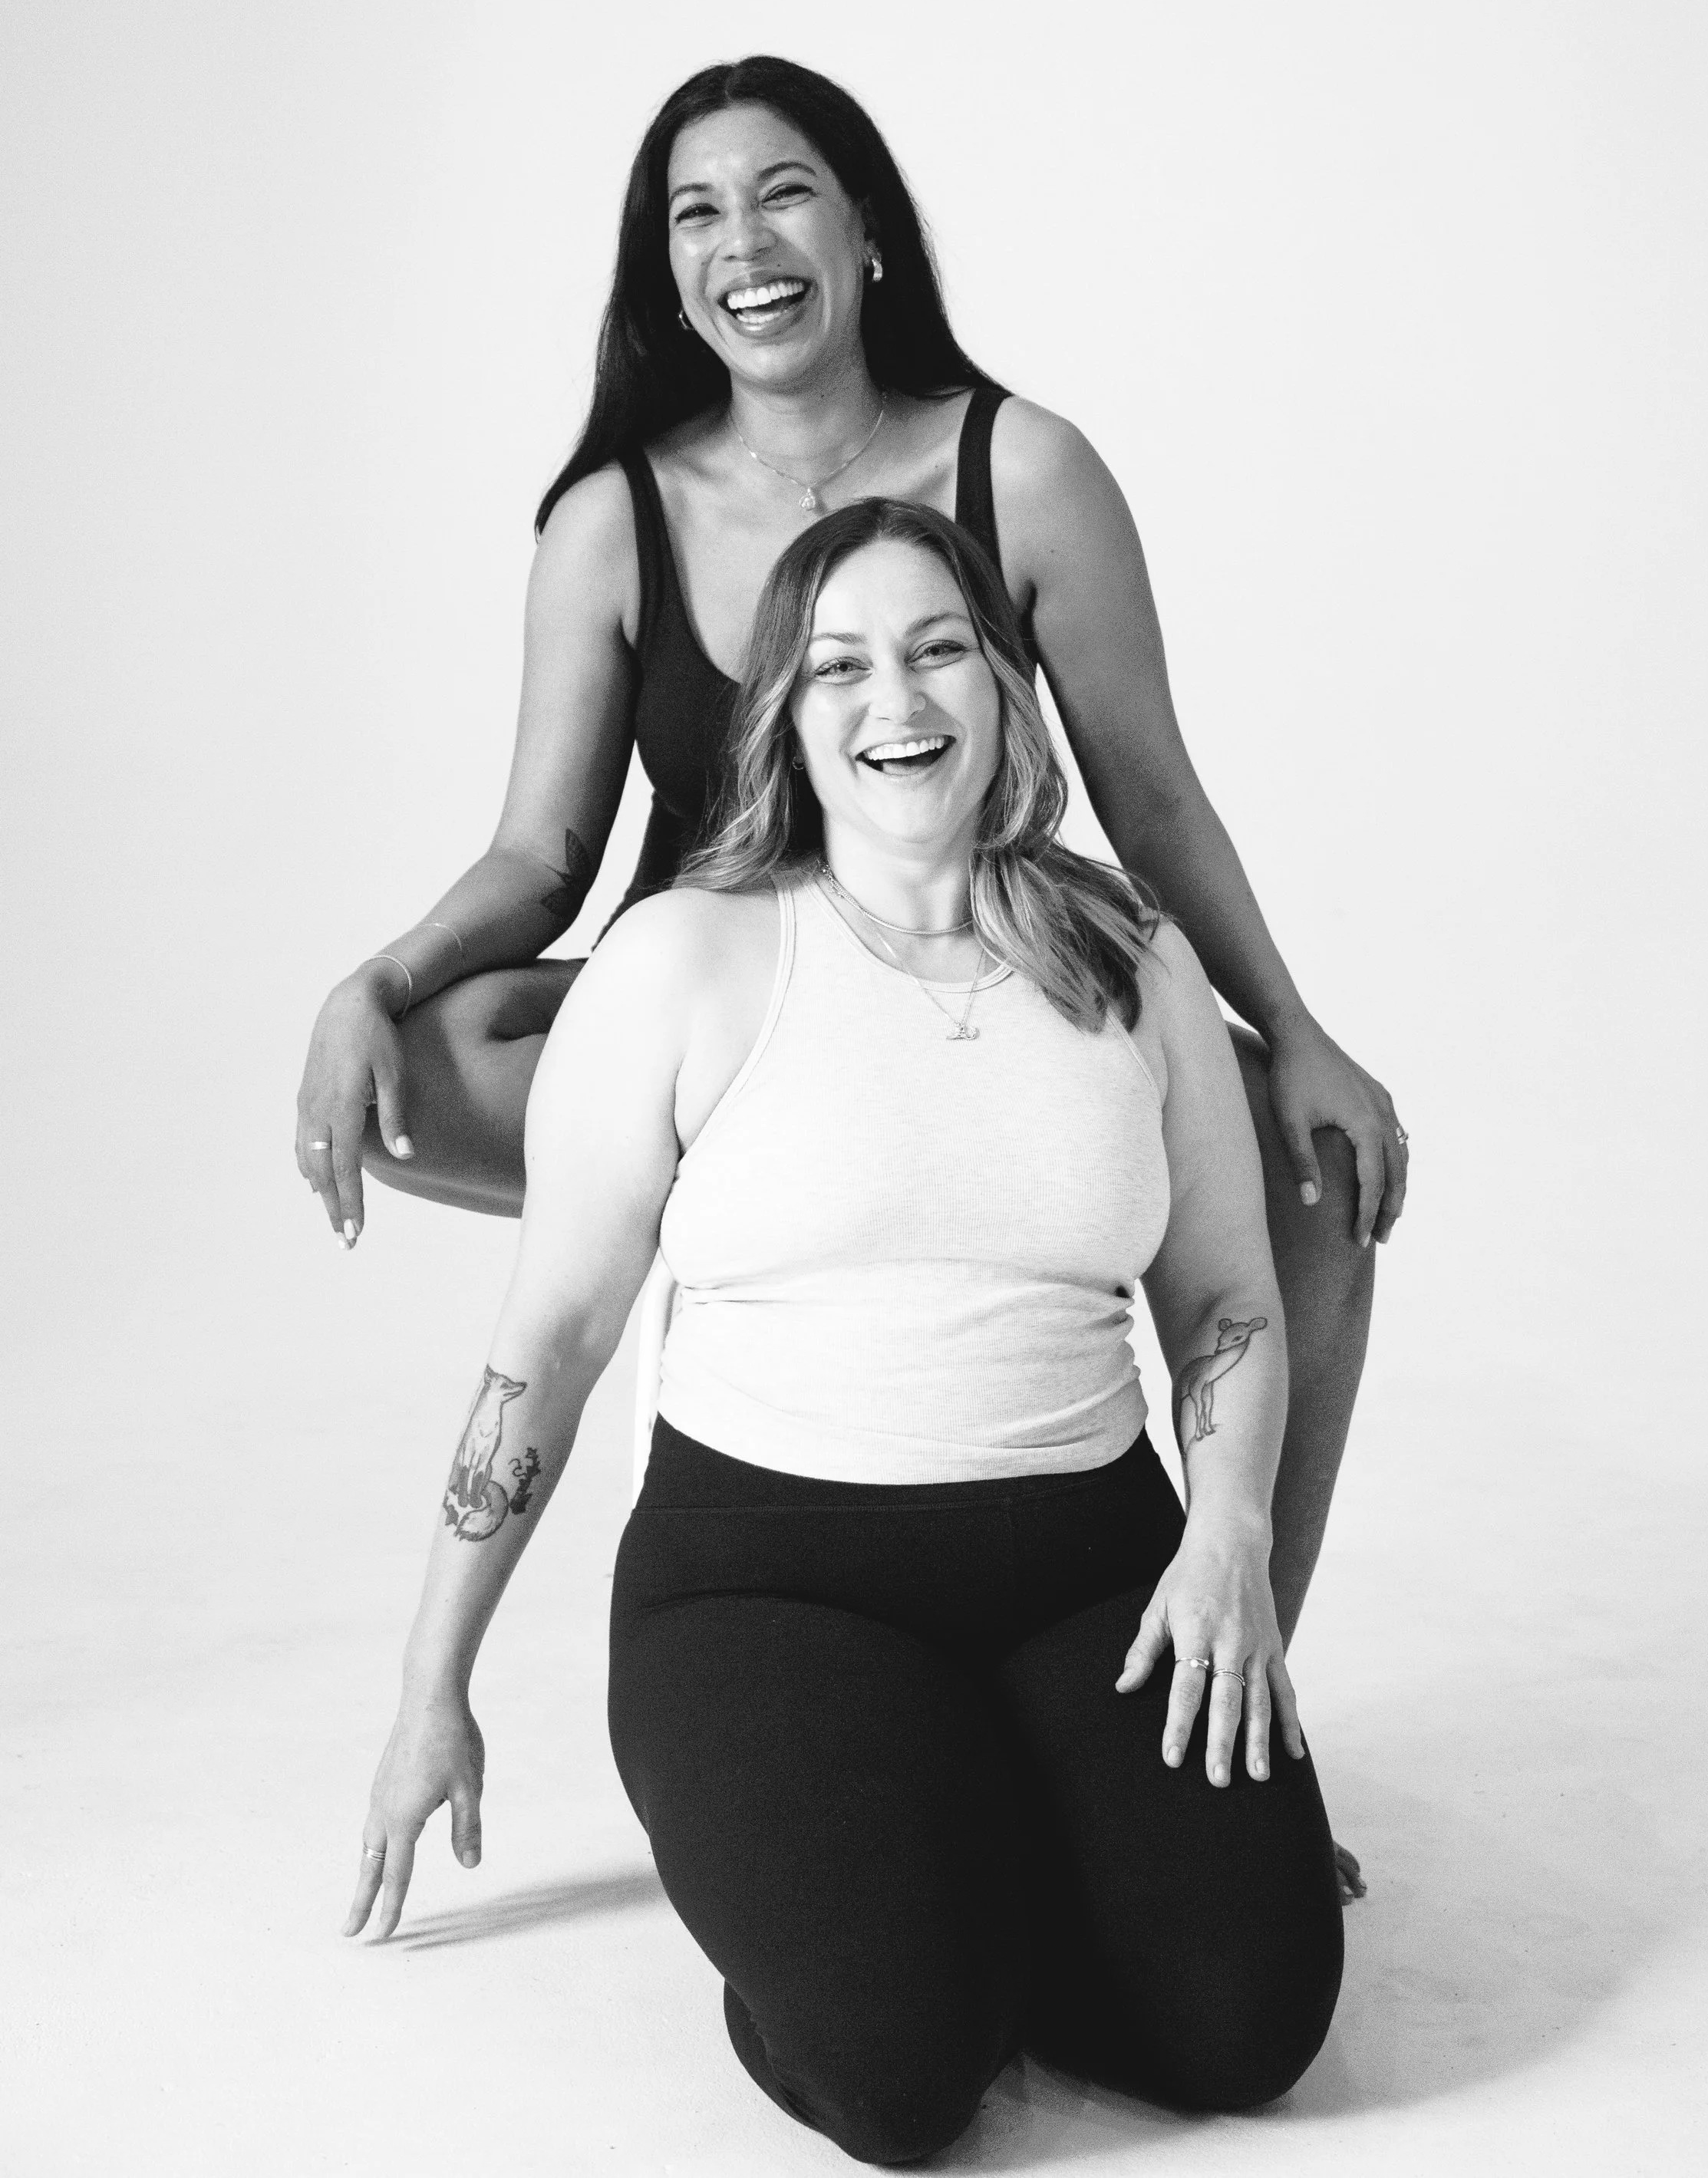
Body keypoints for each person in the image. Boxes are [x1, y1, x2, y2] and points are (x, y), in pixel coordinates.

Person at [295, 54, 1406, 1678]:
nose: (743, 242)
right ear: (665, 270)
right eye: (696, 213)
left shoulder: (1024, 467)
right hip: (733, 1026)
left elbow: (1152, 798)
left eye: (783, 192)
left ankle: (1237, 1675)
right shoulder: (612, 518)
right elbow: (541, 854)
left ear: (867, 226)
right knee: (424, 1053)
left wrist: (1293, 1031)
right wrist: (371, 982)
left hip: (975, 988)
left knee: (1310, 1175)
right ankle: (756, 1190)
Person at [345, 504, 1346, 2159]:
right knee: (895, 2081)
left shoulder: (1134, 960)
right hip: (769, 1586)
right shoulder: (688, 960)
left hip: (1090, 1569)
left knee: (1249, 2030)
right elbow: (551, 1342)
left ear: (1003, 684)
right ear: (787, 722)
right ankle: (903, 1885)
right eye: (839, 666)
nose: (898, 698)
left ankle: (986, 1832)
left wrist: (1226, 1528)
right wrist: (428, 1686)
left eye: (939, 647)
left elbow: (1225, 1302)